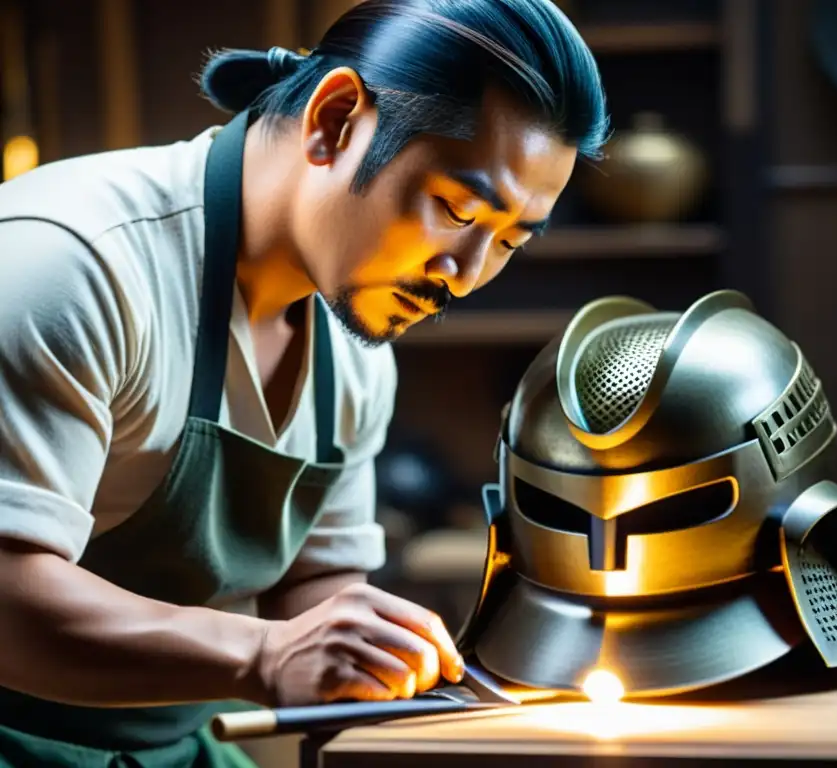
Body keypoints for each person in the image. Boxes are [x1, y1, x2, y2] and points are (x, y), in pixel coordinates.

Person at [0, 0, 609, 765]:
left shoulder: (355, 356)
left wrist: (387, 661)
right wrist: (262, 656)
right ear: (335, 119)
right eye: (456, 209)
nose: (467, 274)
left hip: (175, 749)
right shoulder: (71, 266)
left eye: (509, 241)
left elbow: (316, 592)